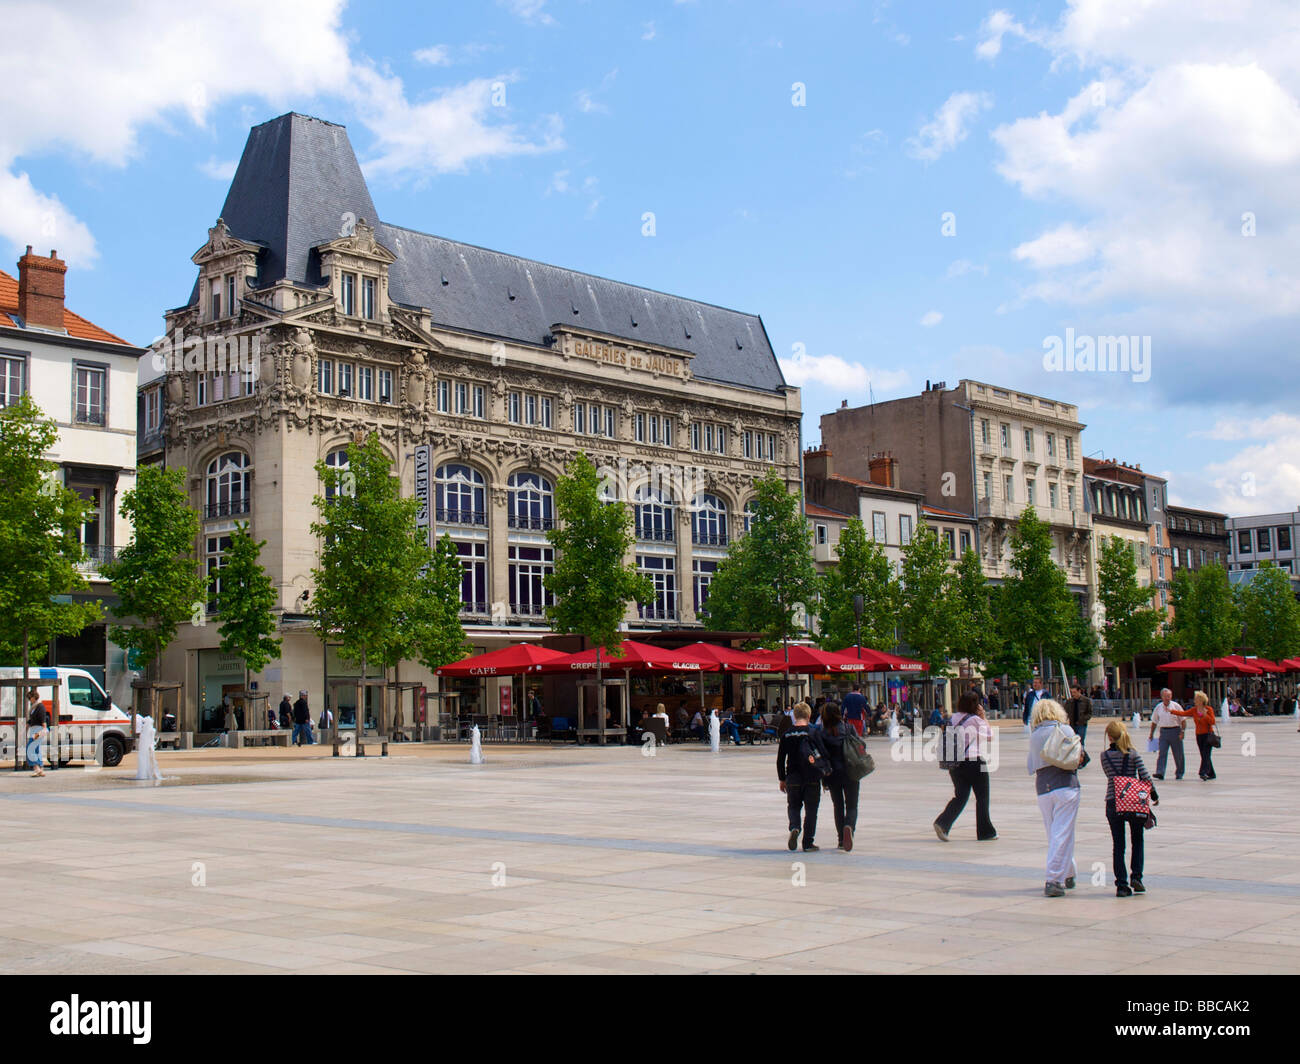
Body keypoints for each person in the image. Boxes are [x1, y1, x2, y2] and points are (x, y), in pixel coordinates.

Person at [1027, 699, 1081, 897]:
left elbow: (1031, 763)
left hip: (1043, 787)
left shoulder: (1034, 735)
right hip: (1065, 784)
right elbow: (1076, 756)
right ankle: (1054, 879)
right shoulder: (1064, 729)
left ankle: (1068, 872)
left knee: (1055, 833)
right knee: (1063, 832)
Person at [1099, 718, 1157, 896]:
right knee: (1137, 840)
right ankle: (1137, 877)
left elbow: (1110, 775)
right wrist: (1153, 794)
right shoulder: (1133, 754)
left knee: (1119, 844)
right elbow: (1145, 776)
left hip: (1113, 801)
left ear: (1109, 737)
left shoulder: (1104, 756)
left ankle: (1121, 885)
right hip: (1133, 802)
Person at [934, 692, 997, 843]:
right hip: (974, 761)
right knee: (982, 797)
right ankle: (985, 832)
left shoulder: (953, 718)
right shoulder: (975, 720)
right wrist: (983, 717)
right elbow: (990, 736)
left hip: (955, 763)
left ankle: (943, 823)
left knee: (960, 796)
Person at [777, 702, 827, 852]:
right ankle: (808, 842)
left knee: (793, 806)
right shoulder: (813, 733)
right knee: (811, 810)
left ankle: (794, 827)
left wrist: (782, 778)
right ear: (809, 715)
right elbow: (823, 754)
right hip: (811, 776)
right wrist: (825, 776)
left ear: (794, 715)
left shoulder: (787, 734)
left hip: (792, 776)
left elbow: (780, 759)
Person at [816, 702, 860, 851]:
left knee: (838, 806)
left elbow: (820, 755)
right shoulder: (848, 728)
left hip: (832, 773)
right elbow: (861, 745)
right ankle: (849, 827)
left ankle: (841, 839)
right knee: (852, 805)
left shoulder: (822, 733)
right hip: (851, 771)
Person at [1148, 688, 1186, 781]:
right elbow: (1154, 721)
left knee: (1178, 754)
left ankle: (1179, 772)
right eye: (1165, 696)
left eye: (1169, 696)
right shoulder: (1158, 707)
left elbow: (1183, 720)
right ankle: (1160, 772)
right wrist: (1151, 734)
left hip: (1175, 731)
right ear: (1162, 697)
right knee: (1162, 753)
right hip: (1164, 732)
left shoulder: (1176, 706)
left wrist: (1182, 732)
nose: (1167, 698)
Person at [1179, 690, 1218, 780]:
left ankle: (1202, 772)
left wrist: (1205, 715)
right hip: (1199, 736)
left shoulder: (1208, 709)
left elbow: (1212, 722)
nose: (1194, 700)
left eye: (1196, 699)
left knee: (1205, 754)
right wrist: (1171, 711)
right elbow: (1183, 713)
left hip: (1208, 735)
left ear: (1201, 700)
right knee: (1204, 754)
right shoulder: (1194, 710)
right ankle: (1211, 773)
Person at [1065, 683, 1093, 767]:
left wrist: (1083, 719)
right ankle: (1084, 758)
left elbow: (1090, 713)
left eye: (1074, 692)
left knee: (1080, 743)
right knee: (1074, 743)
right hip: (1072, 725)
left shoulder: (1086, 701)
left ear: (1079, 691)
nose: (1073, 694)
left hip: (1081, 725)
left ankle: (1082, 760)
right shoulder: (1070, 702)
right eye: (1072, 692)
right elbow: (1065, 712)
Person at [134, 707, 164, 782]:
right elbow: (153, 740)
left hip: (149, 746)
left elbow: (151, 739)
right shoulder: (152, 730)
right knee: (150, 760)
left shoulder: (148, 730)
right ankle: (149, 774)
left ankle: (147, 774)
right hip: (150, 746)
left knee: (148, 759)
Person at [25, 688, 48, 777]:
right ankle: (40, 769)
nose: (29, 700)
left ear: (34, 697)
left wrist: (43, 729)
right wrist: (26, 726)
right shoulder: (34, 707)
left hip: (38, 730)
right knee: (36, 749)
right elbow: (31, 719)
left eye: (30, 698)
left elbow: (43, 719)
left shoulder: (40, 706)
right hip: (34, 729)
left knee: (30, 748)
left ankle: (36, 768)